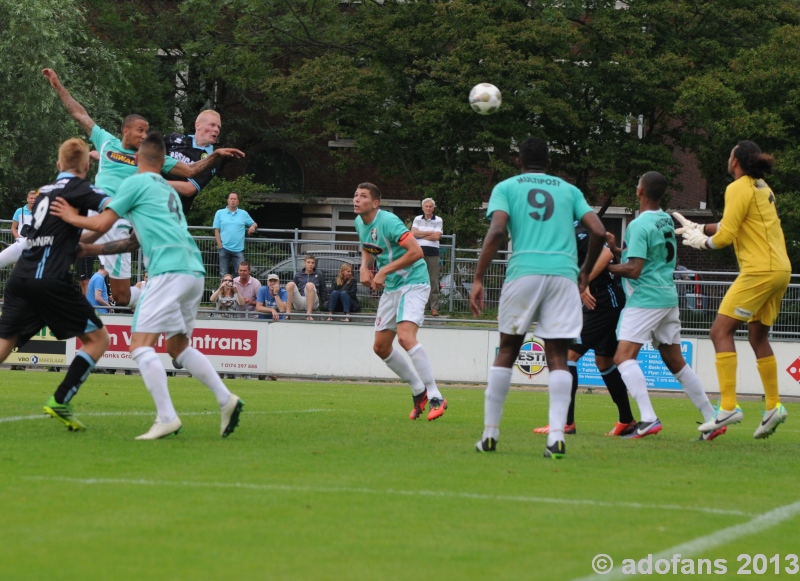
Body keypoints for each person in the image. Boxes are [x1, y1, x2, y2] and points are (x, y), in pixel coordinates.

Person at [51, 132, 244, 440]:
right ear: (162, 163)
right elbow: (132, 241)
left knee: (139, 345)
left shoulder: (135, 183)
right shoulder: (167, 192)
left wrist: (71, 217)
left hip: (168, 272)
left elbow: (101, 224)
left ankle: (167, 417)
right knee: (177, 347)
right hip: (194, 271)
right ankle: (226, 399)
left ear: (137, 159)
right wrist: (88, 250)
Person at [42, 67, 244, 310]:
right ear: (125, 130)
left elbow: (190, 172)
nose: (145, 135)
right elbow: (80, 114)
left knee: (121, 297)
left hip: (118, 219)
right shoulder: (106, 140)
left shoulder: (147, 157)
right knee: (64, 233)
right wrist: (58, 85)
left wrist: (217, 155)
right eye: (141, 130)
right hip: (99, 209)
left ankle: (152, 293)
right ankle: (47, 262)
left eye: (147, 131)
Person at [470, 137, 606, 458]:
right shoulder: (568, 190)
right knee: (558, 356)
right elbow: (600, 232)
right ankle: (556, 437)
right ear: (549, 162)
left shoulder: (506, 187)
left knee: (507, 350)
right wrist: (584, 273)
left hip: (524, 272)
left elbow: (497, 231)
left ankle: (490, 435)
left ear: (518, 160)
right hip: (562, 275)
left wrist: (478, 278)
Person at [674, 141, 792, 439]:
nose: (728, 159)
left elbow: (726, 235)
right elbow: (737, 224)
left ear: (736, 161)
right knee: (757, 335)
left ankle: (728, 407)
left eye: (730, 155)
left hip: (759, 270)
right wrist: (701, 228)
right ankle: (774, 406)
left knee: (719, 332)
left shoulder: (736, 187)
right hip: (780, 269)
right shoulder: (762, 187)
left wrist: (704, 242)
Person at [0, 138, 111, 431]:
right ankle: (61, 399)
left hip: (21, 277)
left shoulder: (45, 192)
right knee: (99, 340)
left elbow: (59, 236)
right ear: (87, 165)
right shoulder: (80, 189)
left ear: (58, 164)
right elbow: (113, 208)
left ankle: (61, 400)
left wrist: (78, 231)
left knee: (4, 343)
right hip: (49, 279)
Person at [606, 171, 721, 441]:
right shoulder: (664, 220)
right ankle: (712, 419)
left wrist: (604, 268)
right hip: (667, 294)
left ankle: (648, 418)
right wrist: (616, 250)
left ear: (641, 191)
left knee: (623, 357)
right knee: (675, 361)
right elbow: (647, 257)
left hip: (646, 297)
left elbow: (635, 270)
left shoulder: (638, 224)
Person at [533, 222, 637, 437]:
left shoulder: (580, 232)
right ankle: (627, 420)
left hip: (602, 302)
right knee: (604, 362)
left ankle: (565, 423)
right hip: (599, 303)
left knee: (566, 356)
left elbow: (606, 254)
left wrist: (583, 281)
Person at [354, 182, 447, 421]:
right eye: (355, 195)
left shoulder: (389, 221)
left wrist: (383, 271)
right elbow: (368, 246)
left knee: (406, 338)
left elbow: (416, 252)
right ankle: (419, 391)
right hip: (393, 287)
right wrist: (366, 266)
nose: (356, 199)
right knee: (381, 347)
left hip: (413, 282)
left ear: (375, 203)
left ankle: (436, 395)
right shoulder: (359, 222)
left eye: (363, 196)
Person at [163, 110, 224, 217]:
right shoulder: (173, 139)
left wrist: (155, 182)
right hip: (148, 201)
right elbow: (147, 155)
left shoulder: (212, 159)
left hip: (171, 214)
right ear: (198, 125)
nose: (216, 130)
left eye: (218, 127)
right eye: (212, 125)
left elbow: (189, 189)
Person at [412, 198, 443, 316]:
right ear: (423, 208)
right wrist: (430, 233)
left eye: (430, 207)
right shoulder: (417, 219)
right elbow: (413, 233)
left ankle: (434, 307)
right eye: (426, 206)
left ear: (433, 208)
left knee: (433, 280)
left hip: (433, 253)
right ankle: (421, 307)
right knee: (419, 280)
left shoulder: (438, 220)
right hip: (419, 252)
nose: (428, 208)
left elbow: (437, 237)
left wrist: (421, 235)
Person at [213, 192, 257, 278]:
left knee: (241, 274)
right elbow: (216, 230)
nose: (233, 201)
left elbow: (254, 223)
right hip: (224, 248)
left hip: (239, 249)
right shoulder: (219, 213)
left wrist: (253, 227)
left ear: (238, 201)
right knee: (223, 274)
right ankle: (224, 291)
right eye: (231, 199)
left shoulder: (243, 213)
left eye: (235, 199)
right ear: (228, 200)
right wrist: (220, 246)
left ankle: (238, 291)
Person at [285, 255, 329, 321]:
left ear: (315, 264)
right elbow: (293, 290)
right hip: (300, 301)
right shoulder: (298, 275)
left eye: (312, 263)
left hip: (313, 302)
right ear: (304, 263)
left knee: (309, 285)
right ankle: (288, 312)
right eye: (308, 262)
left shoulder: (319, 274)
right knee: (290, 284)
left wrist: (324, 305)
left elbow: (323, 290)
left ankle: (309, 314)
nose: (310, 264)